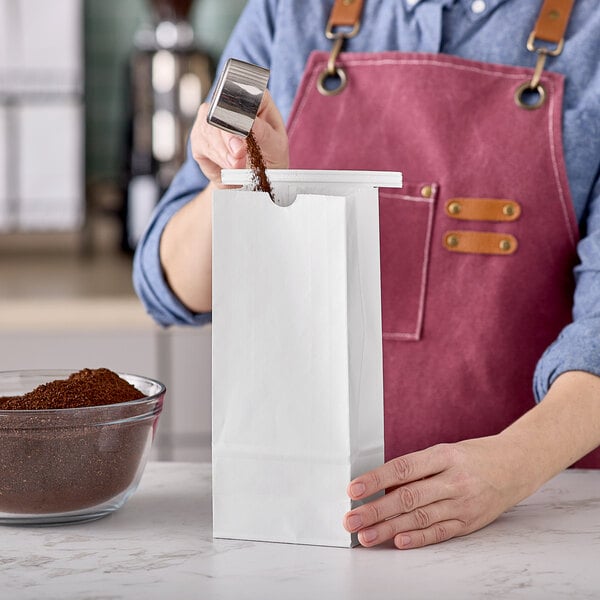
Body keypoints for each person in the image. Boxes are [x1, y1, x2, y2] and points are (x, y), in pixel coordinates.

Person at [133, 0, 600, 549]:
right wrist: (238, 184)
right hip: (301, 523)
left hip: (530, 521)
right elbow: (171, 285)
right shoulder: (287, 13)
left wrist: (509, 467)